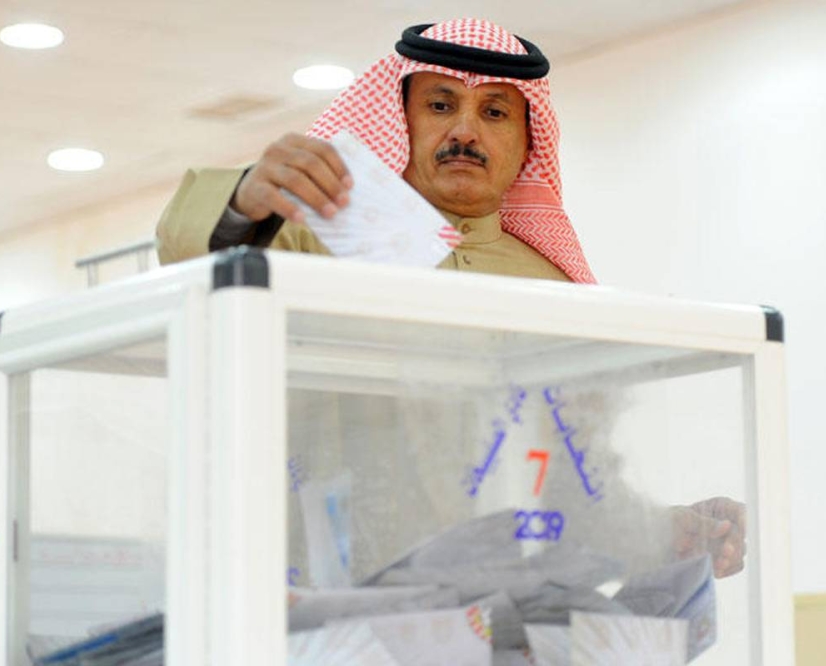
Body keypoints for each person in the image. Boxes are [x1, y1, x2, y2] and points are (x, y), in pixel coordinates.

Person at [155, 18, 745, 578]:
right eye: (440, 105)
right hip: (330, 591)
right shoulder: (313, 231)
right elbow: (192, 259)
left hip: (501, 601)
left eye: (494, 112)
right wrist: (245, 204)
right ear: (400, 121)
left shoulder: (553, 284)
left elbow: (574, 473)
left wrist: (661, 531)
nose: (465, 131)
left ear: (526, 142)